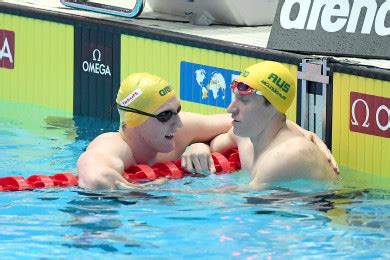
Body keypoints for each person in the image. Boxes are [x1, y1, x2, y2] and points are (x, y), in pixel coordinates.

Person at [79, 71, 338, 190]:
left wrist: (308, 134)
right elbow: (95, 177)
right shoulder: (112, 144)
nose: (178, 123)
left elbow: (255, 123)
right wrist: (140, 191)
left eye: (178, 111)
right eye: (166, 116)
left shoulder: (181, 131)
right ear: (135, 120)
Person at [182, 61, 338, 188]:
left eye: (244, 101)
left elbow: (239, 206)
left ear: (273, 106)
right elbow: (215, 144)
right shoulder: (246, 136)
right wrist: (199, 146)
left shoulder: (289, 154)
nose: (230, 109)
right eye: (234, 98)